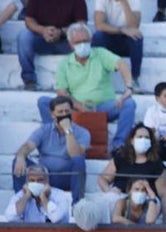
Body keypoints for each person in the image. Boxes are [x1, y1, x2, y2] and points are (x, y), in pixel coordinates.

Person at [37, 22, 138, 151]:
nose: (82, 45)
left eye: (85, 41)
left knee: (129, 104)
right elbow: (61, 93)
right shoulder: (65, 64)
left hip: (103, 107)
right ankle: (55, 139)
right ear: (71, 44)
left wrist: (128, 88)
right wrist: (81, 107)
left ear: (91, 40)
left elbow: (122, 64)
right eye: (78, 42)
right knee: (44, 102)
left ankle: (119, 145)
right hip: (74, 109)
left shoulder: (101, 54)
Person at [13, 95, 90, 203]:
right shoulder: (44, 130)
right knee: (18, 160)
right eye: (60, 112)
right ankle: (20, 201)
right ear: (52, 114)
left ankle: (77, 204)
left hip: (66, 177)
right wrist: (20, 156)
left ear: (72, 112)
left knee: (79, 161)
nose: (64, 115)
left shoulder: (83, 132)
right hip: (42, 177)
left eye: (67, 111)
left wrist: (68, 130)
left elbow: (75, 154)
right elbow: (28, 146)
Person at [97, 124, 166, 221]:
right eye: (140, 137)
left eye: (146, 137)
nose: (143, 140)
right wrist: (109, 191)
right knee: (109, 199)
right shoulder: (121, 158)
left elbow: (164, 194)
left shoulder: (156, 164)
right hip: (122, 199)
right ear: (132, 140)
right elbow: (103, 178)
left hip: (147, 201)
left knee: (154, 203)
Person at [17, 0, 89, 91]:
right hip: (42, 39)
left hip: (67, 41)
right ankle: (29, 80)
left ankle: (81, 80)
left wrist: (62, 31)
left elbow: (81, 23)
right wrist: (43, 30)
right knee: (24, 37)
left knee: (84, 39)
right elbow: (29, 20)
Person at [93, 0, 144, 87]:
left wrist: (124, 3)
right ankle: (98, 77)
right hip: (110, 37)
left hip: (125, 41)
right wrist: (121, 30)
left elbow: (134, 26)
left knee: (137, 37)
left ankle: (134, 78)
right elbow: (99, 25)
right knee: (98, 36)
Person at [4, 165, 72, 224]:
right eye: (32, 180)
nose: (36, 183)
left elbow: (56, 218)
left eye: (40, 180)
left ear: (47, 181)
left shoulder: (60, 195)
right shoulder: (21, 195)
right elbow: (10, 217)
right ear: (27, 182)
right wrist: (26, 196)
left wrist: (43, 197)